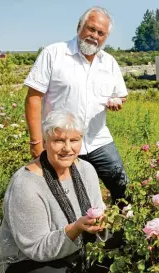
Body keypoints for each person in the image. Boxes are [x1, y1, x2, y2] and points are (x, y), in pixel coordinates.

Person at [24, 6, 128, 204]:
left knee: (122, 188)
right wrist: (37, 143)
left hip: (98, 140)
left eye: (101, 33)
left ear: (106, 37)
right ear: (79, 26)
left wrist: (117, 101)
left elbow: (120, 95)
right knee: (66, 197)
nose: (94, 36)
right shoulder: (54, 54)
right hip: (63, 143)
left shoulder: (109, 63)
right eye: (91, 29)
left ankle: (121, 233)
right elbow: (33, 97)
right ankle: (74, 233)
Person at [0, 110, 107, 273]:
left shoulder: (86, 170)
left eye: (74, 140)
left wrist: (102, 223)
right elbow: (36, 248)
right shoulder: (26, 184)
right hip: (24, 261)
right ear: (44, 142)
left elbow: (98, 210)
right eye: (58, 140)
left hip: (72, 251)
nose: (67, 148)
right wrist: (76, 228)